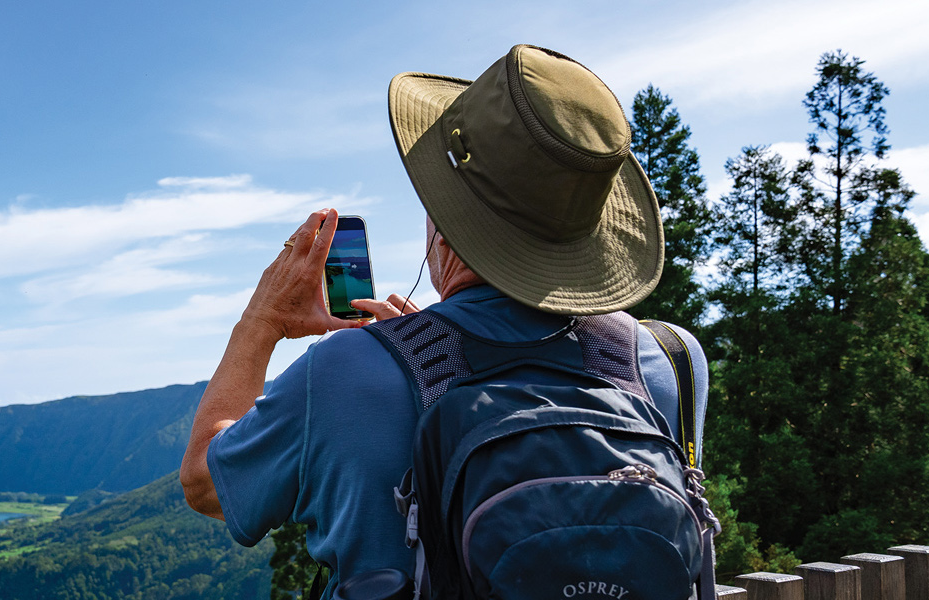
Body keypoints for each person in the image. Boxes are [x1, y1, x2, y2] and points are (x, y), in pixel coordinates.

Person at [179, 44, 708, 598]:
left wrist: (261, 322)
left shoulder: (340, 374)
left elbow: (204, 482)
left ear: (442, 217)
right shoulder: (670, 363)